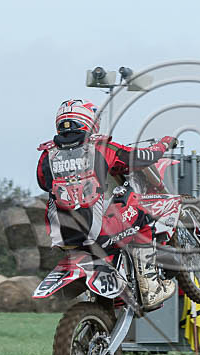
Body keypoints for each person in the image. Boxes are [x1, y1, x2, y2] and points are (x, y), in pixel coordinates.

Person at [36, 99, 178, 310]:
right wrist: (163, 144)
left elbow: (42, 181)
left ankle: (118, 280)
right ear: (89, 122)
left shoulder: (46, 155)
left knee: (111, 212)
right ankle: (150, 286)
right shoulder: (101, 148)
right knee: (141, 210)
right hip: (96, 231)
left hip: (63, 237)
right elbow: (142, 158)